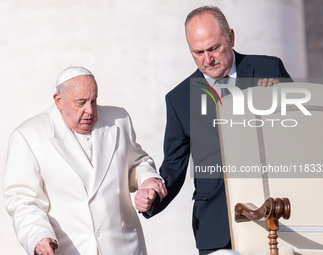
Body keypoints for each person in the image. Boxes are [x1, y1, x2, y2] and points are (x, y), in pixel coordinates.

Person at [135, 5, 293, 255]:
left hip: (277, 217)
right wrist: (152, 197)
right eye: (197, 52)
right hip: (216, 227)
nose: (207, 59)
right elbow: (173, 167)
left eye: (214, 48)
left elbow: (301, 135)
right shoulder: (179, 99)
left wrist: (280, 103)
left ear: (230, 36)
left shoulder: (269, 70)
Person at [3, 66, 167, 255]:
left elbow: (137, 163)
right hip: (71, 249)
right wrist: (38, 236)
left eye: (94, 101)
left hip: (124, 247)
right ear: (59, 101)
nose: (90, 110)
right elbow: (22, 200)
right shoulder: (28, 136)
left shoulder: (119, 120)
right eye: (81, 103)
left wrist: (148, 181)